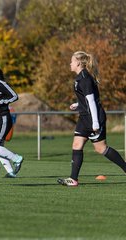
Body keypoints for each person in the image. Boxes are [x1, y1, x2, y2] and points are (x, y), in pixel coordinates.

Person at [58, 51, 126, 187]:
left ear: (78, 62)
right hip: (84, 118)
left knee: (101, 149)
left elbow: (92, 101)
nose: (70, 64)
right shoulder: (79, 78)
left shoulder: (84, 78)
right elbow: (88, 99)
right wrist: (78, 104)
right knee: (77, 145)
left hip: (93, 118)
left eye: (72, 61)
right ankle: (73, 179)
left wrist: (95, 122)